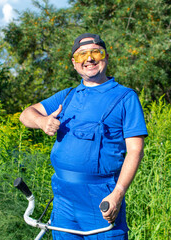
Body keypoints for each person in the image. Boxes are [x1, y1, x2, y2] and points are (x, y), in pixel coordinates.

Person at [19, 33, 148, 239]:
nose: (89, 59)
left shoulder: (125, 98)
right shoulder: (67, 96)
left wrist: (117, 194)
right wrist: (42, 122)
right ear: (74, 63)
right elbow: (26, 114)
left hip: (101, 200)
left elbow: (136, 151)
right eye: (82, 55)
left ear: (106, 56)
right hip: (63, 200)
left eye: (96, 52)